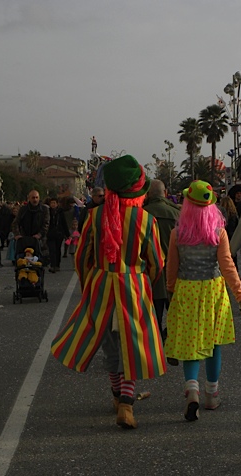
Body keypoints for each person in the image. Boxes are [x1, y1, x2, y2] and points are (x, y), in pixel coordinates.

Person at [51, 155, 165, 430]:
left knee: (110, 346)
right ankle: (126, 404)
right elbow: (156, 262)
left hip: (101, 285)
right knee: (132, 345)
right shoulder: (145, 219)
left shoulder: (95, 215)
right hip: (133, 287)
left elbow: (82, 258)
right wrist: (143, 280)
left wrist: (90, 282)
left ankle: (118, 397)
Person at [165, 180, 241, 421]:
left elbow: (171, 267)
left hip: (186, 290)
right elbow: (227, 265)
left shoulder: (177, 233)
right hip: (213, 291)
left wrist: (171, 291)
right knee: (214, 344)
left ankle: (191, 389)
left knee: (189, 344)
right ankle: (212, 395)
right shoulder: (219, 232)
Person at [143, 179, 181, 339]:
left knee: (153, 315)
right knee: (176, 314)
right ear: (165, 193)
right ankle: (171, 340)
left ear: (148, 194)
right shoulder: (177, 213)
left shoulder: (142, 214)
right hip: (175, 271)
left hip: (151, 272)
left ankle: (156, 344)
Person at [15, 190, 50, 260]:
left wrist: (40, 234)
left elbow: (46, 223)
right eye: (33, 198)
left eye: (37, 197)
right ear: (29, 198)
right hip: (25, 237)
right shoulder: (23, 209)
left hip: (39, 239)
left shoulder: (44, 209)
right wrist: (17, 234)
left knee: (39, 259)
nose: (35, 200)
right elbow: (16, 222)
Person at [46, 197, 69, 273]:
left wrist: (67, 235)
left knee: (57, 250)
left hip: (59, 234)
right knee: (52, 250)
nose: (53, 204)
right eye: (52, 203)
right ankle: (53, 265)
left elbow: (64, 223)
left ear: (57, 204)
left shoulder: (60, 212)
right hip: (50, 234)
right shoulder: (47, 212)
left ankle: (57, 265)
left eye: (54, 203)